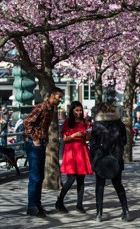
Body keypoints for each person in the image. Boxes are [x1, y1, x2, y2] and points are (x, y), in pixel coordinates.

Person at [23, 87, 64, 217]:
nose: (60, 99)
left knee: (40, 176)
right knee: (35, 177)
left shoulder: (51, 109)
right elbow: (27, 123)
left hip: (41, 144)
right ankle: (31, 207)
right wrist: (34, 139)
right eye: (59, 97)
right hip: (34, 144)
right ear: (52, 96)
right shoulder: (41, 107)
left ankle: (37, 204)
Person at [89, 103, 132, 222]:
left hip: (100, 158)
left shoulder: (97, 125)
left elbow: (92, 144)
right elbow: (124, 141)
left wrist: (92, 159)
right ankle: (126, 211)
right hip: (116, 158)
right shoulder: (120, 124)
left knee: (100, 186)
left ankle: (99, 214)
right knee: (118, 185)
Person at [55, 101, 93, 214]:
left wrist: (88, 134)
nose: (79, 112)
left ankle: (79, 204)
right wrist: (75, 135)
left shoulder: (85, 122)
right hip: (71, 150)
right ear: (72, 111)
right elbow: (65, 139)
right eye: (76, 110)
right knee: (71, 179)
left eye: (80, 110)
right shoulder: (68, 122)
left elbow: (87, 139)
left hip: (81, 150)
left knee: (81, 180)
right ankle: (60, 201)